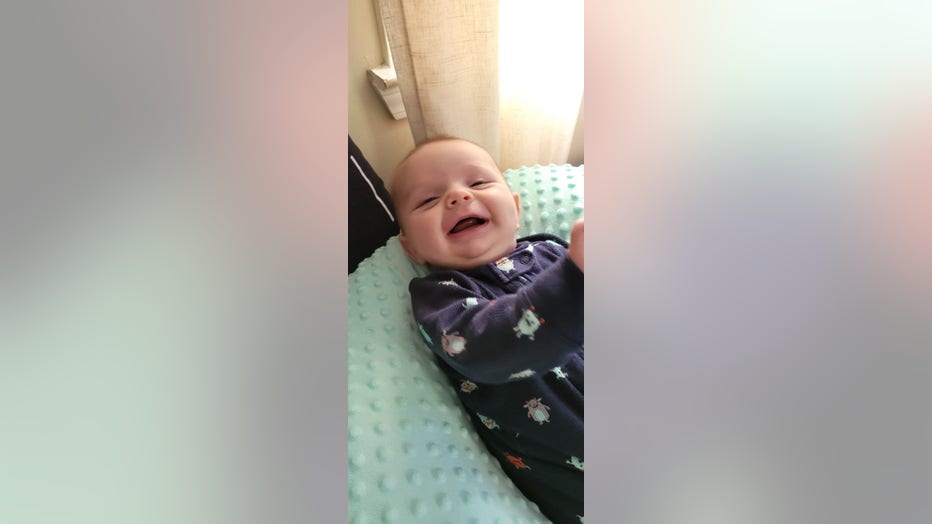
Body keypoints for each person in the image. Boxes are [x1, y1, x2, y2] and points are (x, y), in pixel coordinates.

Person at [389, 136, 584, 524]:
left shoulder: (551, 250)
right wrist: (575, 278)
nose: (458, 196)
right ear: (411, 248)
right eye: (428, 200)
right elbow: (488, 349)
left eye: (477, 184)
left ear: (515, 208)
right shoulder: (440, 296)